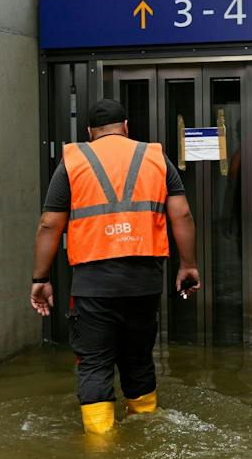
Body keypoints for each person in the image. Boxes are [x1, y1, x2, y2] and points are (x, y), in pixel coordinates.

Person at [29, 98, 200, 435]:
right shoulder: (155, 157)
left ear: (90, 132)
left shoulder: (74, 161)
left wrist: (41, 278)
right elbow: (181, 214)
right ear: (126, 127)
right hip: (144, 283)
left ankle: (100, 450)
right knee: (138, 359)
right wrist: (188, 266)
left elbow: (49, 225)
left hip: (94, 285)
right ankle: (146, 426)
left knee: (94, 364)